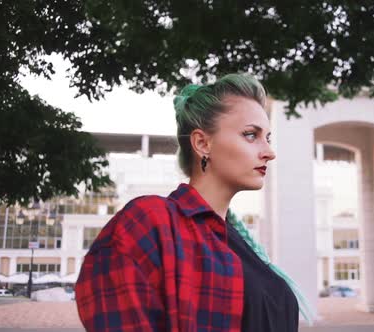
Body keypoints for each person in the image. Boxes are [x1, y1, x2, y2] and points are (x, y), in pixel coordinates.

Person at [75, 73, 316, 331]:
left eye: (267, 137)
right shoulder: (150, 222)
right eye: (250, 135)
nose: (269, 152)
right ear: (202, 143)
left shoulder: (240, 242)